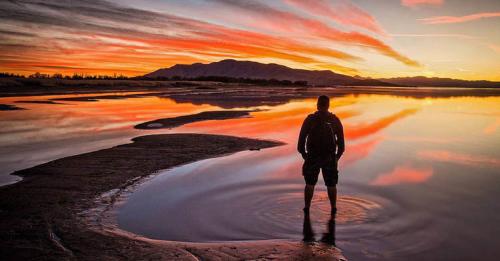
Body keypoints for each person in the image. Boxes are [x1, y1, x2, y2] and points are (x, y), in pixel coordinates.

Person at [298, 95, 345, 215]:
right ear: (328, 105)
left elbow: (301, 141)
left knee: (309, 184)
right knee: (331, 184)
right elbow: (341, 145)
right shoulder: (335, 120)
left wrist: (305, 155)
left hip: (312, 156)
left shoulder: (310, 119)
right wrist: (336, 158)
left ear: (317, 105)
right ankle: (333, 208)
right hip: (329, 157)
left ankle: (307, 208)